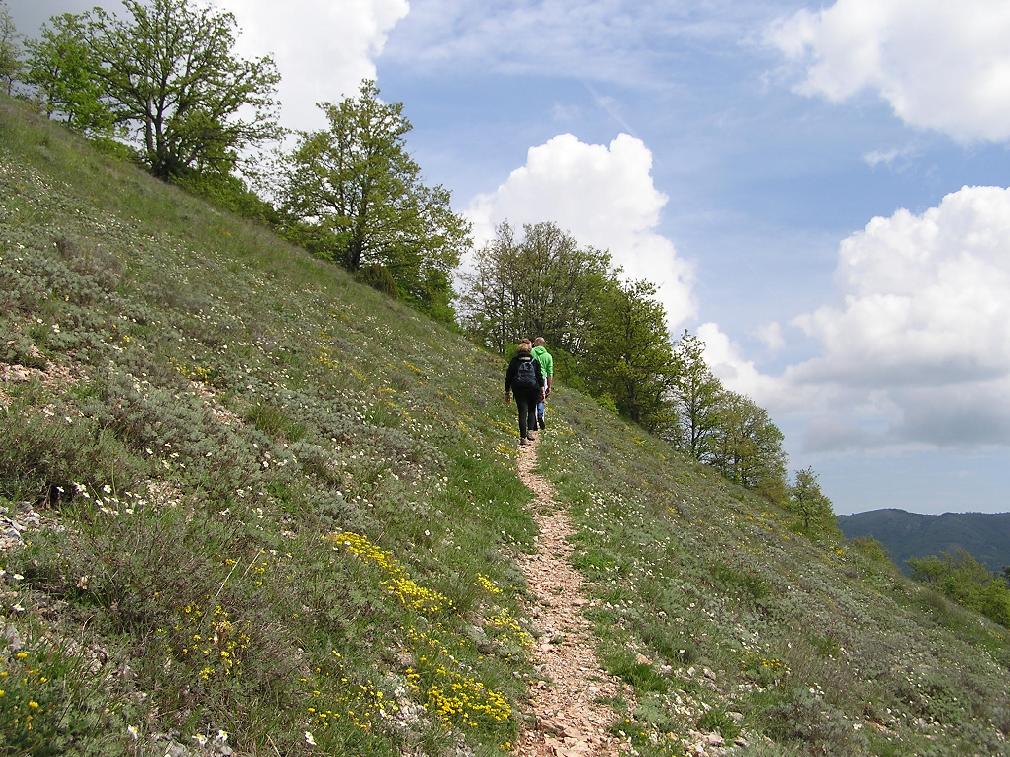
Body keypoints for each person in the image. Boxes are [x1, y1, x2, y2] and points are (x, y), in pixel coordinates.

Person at [504, 339, 545, 446]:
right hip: (533, 389)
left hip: (519, 389)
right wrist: (542, 390)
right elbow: (539, 376)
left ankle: (522, 438)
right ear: (529, 350)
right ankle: (530, 432)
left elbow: (508, 377)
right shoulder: (534, 361)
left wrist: (507, 391)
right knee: (531, 410)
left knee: (522, 412)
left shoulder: (514, 361)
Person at [531, 336, 553, 430]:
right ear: (543, 344)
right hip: (543, 378)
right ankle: (540, 414)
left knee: (532, 398)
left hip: (531, 377)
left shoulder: (531, 352)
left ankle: (534, 418)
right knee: (541, 398)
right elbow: (550, 372)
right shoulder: (548, 356)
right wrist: (549, 386)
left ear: (535, 343)